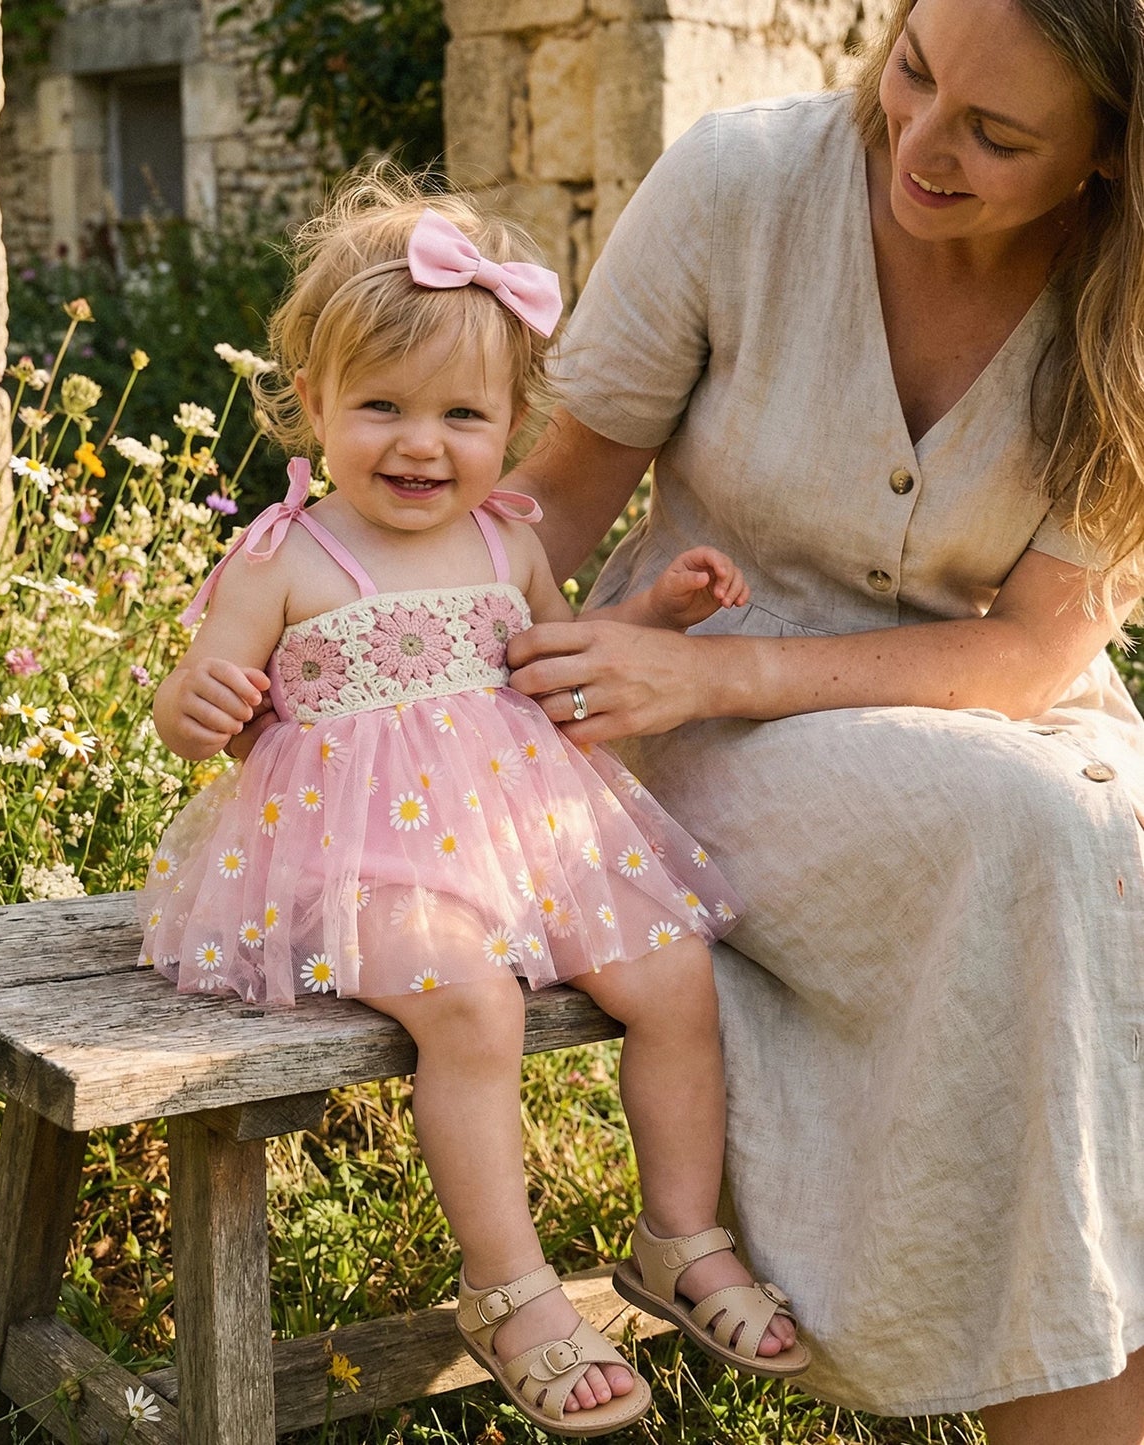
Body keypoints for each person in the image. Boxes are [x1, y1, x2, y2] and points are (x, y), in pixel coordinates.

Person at [501, 0, 1144, 1440]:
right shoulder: (739, 184)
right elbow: (560, 491)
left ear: (1108, 157)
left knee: (1105, 844)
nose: (917, 142)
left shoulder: (1132, 294)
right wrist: (374, 628)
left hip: (995, 716)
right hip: (690, 716)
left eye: (996, 133)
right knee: (1041, 834)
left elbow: (1039, 650)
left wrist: (731, 676)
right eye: (909, 72)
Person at [141, 173, 810, 1436]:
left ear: (512, 421)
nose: (419, 443)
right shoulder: (287, 555)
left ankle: (677, 1235)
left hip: (527, 837)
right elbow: (197, 699)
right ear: (315, 405)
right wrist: (197, 706)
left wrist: (652, 616)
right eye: (380, 406)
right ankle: (506, 1286)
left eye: (462, 413)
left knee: (670, 971)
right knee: (470, 1000)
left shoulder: (506, 539)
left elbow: (547, 658)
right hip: (360, 863)